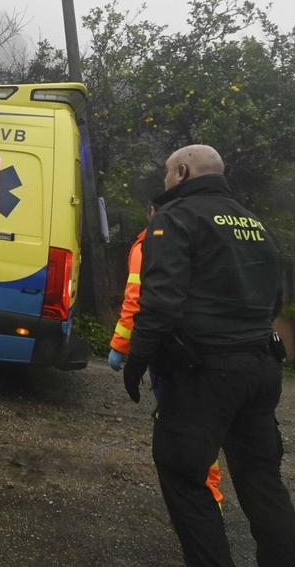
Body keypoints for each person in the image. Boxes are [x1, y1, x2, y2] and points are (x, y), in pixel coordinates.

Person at [123, 144, 295, 566]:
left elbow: (160, 301)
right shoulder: (254, 222)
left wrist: (137, 359)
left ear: (183, 172)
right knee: (262, 480)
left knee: (183, 475)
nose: (165, 180)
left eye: (168, 172)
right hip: (261, 367)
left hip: (205, 373)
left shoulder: (175, 217)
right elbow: (274, 299)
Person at [108, 205, 223, 507]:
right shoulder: (201, 241)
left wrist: (120, 346)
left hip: (170, 352)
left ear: (152, 212)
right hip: (211, 351)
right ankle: (209, 492)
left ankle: (205, 497)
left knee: (181, 426)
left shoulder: (149, 245)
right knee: (204, 427)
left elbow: (136, 300)